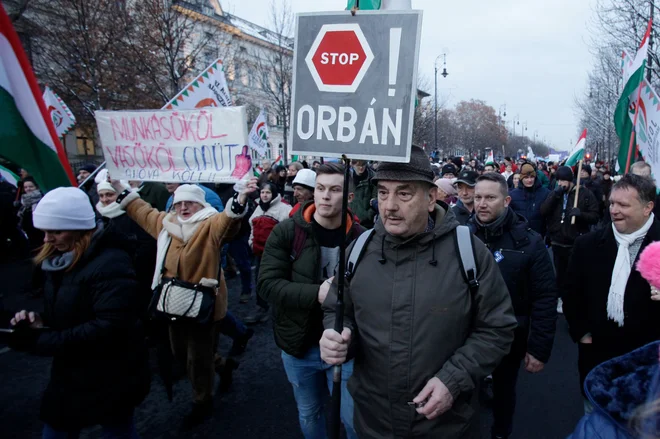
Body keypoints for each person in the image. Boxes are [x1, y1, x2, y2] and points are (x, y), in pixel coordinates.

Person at [319, 145, 516, 438]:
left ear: (431, 197)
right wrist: (339, 336)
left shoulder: (468, 252)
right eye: (383, 192)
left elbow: (497, 328)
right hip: (373, 424)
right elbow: (338, 309)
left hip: (446, 427)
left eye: (404, 193)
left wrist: (454, 379)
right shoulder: (359, 250)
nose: (389, 206)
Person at [111, 178, 257, 429]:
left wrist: (240, 198)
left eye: (190, 203)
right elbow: (141, 210)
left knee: (197, 358)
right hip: (173, 302)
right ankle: (223, 365)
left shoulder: (210, 224)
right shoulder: (165, 224)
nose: (183, 207)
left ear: (200, 205)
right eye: (179, 203)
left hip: (204, 304)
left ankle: (202, 401)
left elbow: (228, 223)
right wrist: (120, 189)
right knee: (180, 351)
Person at [8, 187, 150, 438]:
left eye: (56, 231)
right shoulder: (59, 259)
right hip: (75, 369)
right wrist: (40, 321)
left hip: (112, 371)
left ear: (80, 229)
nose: (47, 239)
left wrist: (40, 341)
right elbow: (72, 309)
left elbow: (109, 327)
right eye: (44, 231)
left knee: (115, 429)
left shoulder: (111, 263)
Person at [258, 163, 363, 439]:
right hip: (299, 346)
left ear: (349, 197)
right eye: (320, 188)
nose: (325, 196)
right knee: (309, 412)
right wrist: (318, 293)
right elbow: (267, 284)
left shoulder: (363, 239)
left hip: (344, 345)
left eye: (335, 190)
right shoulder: (288, 232)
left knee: (353, 420)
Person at [469, 173, 558, 439]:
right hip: (463, 335)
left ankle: (500, 433)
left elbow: (544, 297)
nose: (482, 204)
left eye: (490, 198)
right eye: (478, 198)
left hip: (509, 336)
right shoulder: (460, 236)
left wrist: (538, 349)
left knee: (504, 392)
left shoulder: (530, 243)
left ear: (506, 200)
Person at [564, 174, 660, 404]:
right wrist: (583, 334)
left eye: (623, 205)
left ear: (647, 207)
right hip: (599, 359)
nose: (614, 210)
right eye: (612, 203)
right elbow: (572, 294)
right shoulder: (587, 244)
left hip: (650, 364)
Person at [541, 166, 599, 313]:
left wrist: (581, 215)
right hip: (558, 240)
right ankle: (561, 298)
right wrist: (555, 195)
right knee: (559, 273)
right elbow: (543, 211)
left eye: (563, 181)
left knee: (575, 273)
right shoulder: (555, 193)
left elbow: (595, 216)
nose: (561, 184)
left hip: (576, 240)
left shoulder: (585, 194)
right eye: (558, 180)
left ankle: (575, 300)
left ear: (571, 180)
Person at [245, 182, 292, 320]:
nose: (264, 195)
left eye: (268, 192)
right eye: (262, 192)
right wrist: (252, 244)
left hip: (278, 255)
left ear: (274, 194)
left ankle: (282, 310)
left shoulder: (285, 209)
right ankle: (261, 307)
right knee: (260, 280)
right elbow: (252, 228)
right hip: (260, 254)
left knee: (279, 280)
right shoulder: (258, 209)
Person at [509, 162, 551, 236]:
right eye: (526, 177)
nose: (529, 180)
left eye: (532, 177)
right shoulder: (513, 195)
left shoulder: (545, 193)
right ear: (521, 178)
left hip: (539, 235)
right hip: (519, 235)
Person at [16, 176, 44, 251]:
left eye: (31, 186)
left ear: (37, 187)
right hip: (30, 233)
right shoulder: (23, 202)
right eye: (25, 187)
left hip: (40, 232)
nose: (28, 189)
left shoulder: (42, 199)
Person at [349, 159, 378, 228]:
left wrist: (369, 214)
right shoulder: (347, 177)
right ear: (353, 165)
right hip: (351, 218)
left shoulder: (373, 177)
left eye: (363, 165)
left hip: (367, 222)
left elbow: (376, 197)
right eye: (358, 165)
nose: (361, 167)